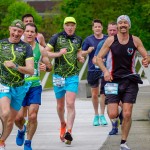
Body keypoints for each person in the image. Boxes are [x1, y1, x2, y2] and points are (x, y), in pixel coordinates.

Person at [96, 15, 149, 150]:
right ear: (117, 26)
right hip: (112, 81)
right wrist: (106, 72)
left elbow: (146, 56)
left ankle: (123, 142)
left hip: (130, 80)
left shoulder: (135, 40)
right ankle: (117, 110)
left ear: (129, 25)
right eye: (120, 23)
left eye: (125, 22)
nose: (123, 25)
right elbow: (98, 58)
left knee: (127, 113)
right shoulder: (110, 40)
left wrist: (146, 60)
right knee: (113, 114)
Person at [45, 17, 84, 145]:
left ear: (75, 26)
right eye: (68, 25)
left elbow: (78, 53)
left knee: (70, 103)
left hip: (72, 76)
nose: (70, 27)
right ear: (64, 26)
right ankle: (63, 123)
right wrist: (58, 54)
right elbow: (45, 53)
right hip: (58, 76)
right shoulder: (56, 37)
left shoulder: (78, 39)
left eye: (72, 25)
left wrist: (80, 58)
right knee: (60, 105)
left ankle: (69, 131)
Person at [14, 23, 52, 150]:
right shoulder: (17, 48)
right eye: (27, 31)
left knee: (33, 115)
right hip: (20, 86)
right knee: (18, 117)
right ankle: (21, 129)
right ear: (24, 33)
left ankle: (28, 142)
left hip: (34, 86)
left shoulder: (40, 49)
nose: (29, 33)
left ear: (36, 34)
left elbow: (50, 67)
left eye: (32, 32)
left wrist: (45, 67)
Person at [0, 19, 34, 150]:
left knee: (11, 120)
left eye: (19, 31)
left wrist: (15, 66)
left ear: (22, 33)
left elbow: (30, 70)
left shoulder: (26, 48)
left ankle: (3, 140)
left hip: (19, 88)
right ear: (9, 29)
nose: (16, 33)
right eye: (14, 30)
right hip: (3, 84)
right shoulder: (1, 44)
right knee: (5, 113)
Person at [93, 22, 123, 135]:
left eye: (114, 30)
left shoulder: (124, 42)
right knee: (111, 101)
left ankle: (121, 115)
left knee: (121, 103)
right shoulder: (103, 43)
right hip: (108, 77)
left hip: (123, 77)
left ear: (118, 30)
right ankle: (114, 126)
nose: (112, 32)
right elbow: (95, 59)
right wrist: (101, 62)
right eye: (110, 30)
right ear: (107, 31)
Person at [82, 19, 108, 126]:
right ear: (92, 28)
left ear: (102, 28)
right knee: (94, 94)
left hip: (104, 69)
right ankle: (96, 115)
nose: (97, 28)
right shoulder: (88, 40)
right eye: (95, 26)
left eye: (99, 26)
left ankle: (102, 115)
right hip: (92, 69)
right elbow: (81, 53)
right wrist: (88, 51)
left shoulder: (107, 39)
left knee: (103, 93)